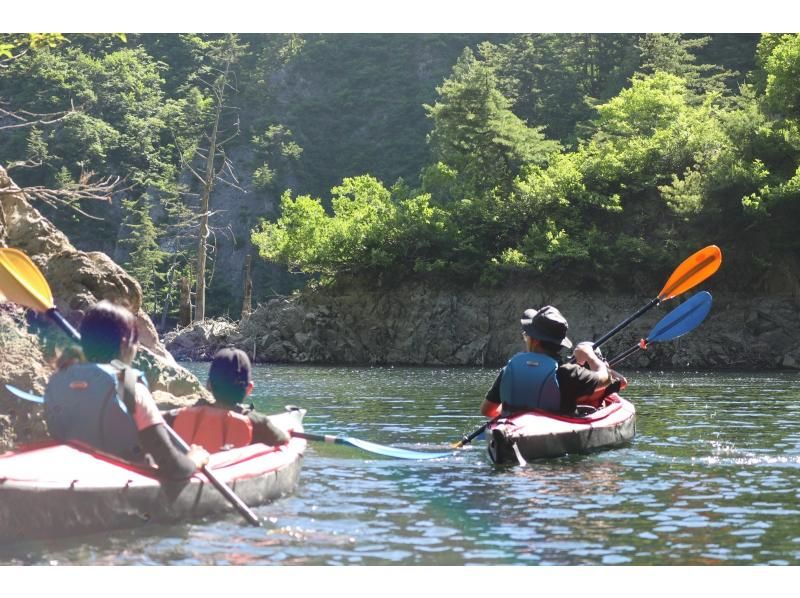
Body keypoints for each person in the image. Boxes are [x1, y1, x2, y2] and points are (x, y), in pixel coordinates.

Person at [44, 300, 209, 479]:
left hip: (71, 479)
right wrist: (195, 459)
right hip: (122, 486)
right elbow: (174, 467)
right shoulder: (127, 384)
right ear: (126, 344)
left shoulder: (59, 378)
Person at [480, 305, 616, 418]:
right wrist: (591, 356)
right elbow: (606, 379)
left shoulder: (509, 370)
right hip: (554, 438)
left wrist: (513, 416)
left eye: (526, 335)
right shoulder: (569, 373)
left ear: (535, 340)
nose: (525, 337)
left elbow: (487, 411)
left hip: (512, 431)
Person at [165, 348, 289, 453]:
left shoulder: (177, 416)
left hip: (187, 472)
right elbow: (284, 440)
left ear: (208, 385)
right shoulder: (258, 424)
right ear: (249, 389)